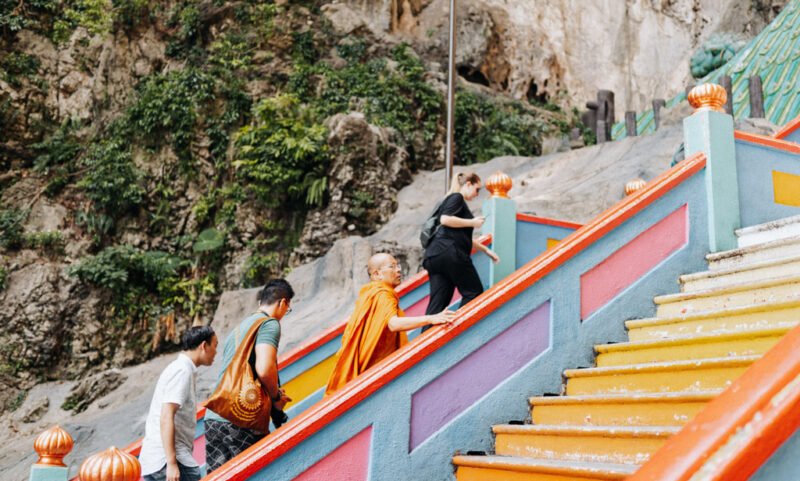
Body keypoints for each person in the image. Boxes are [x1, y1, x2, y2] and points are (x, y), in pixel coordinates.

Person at [324, 253, 455, 395]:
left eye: (398, 266)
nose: (398, 270)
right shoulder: (382, 294)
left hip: (370, 369)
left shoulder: (371, 293)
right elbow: (394, 324)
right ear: (377, 274)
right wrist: (431, 319)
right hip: (375, 373)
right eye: (392, 267)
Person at [204, 279, 294, 473]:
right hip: (240, 417)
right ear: (283, 303)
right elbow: (264, 367)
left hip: (215, 417)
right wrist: (276, 397)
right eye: (287, 309)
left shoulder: (239, 329)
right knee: (257, 474)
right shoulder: (269, 324)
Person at [139, 326, 218, 481]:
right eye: (214, 346)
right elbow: (166, 416)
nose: (216, 352)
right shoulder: (182, 371)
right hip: (168, 461)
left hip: (158, 461)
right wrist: (172, 463)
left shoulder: (181, 368)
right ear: (203, 346)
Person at [423, 172, 500, 318]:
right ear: (468, 184)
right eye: (477, 189)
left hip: (434, 256)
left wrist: (485, 250)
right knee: (474, 292)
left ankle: (427, 337)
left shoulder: (448, 201)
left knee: (437, 308)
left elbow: (458, 235)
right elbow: (445, 220)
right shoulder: (456, 197)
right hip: (451, 253)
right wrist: (472, 222)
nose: (477, 194)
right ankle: (455, 329)